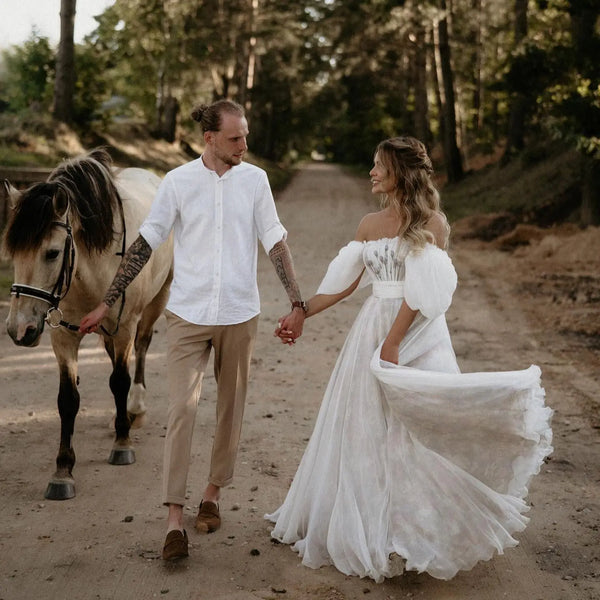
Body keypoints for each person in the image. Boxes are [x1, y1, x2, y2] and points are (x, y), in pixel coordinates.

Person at [267, 136, 553, 582]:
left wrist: (394, 341)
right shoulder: (367, 223)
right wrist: (300, 312)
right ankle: (378, 527)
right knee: (368, 428)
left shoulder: (432, 223)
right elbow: (344, 283)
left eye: (378, 166)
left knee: (420, 427)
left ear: (400, 172)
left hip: (414, 330)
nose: (371, 173)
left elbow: (421, 293)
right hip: (373, 327)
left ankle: (422, 529)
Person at [80, 99, 307, 561]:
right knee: (182, 411)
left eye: (245, 136)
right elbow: (146, 243)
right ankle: (174, 523)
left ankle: (212, 494)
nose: (244, 145)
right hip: (186, 315)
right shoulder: (178, 182)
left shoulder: (255, 180)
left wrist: (298, 302)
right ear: (210, 139)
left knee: (230, 410)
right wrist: (107, 302)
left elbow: (275, 243)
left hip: (240, 313)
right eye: (235, 138)